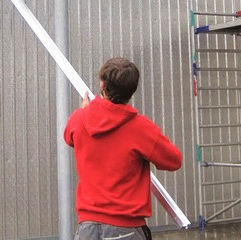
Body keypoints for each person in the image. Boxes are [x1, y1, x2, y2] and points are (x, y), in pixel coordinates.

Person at [64, 57, 182, 240]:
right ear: (132, 91)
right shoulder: (141, 128)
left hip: (87, 228)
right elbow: (174, 160)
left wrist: (85, 111)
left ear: (102, 86)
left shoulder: (79, 118)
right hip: (126, 229)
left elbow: (69, 138)